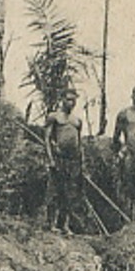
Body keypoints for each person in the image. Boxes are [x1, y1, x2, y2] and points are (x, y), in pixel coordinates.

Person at [44, 90, 86, 234]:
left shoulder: (77, 121)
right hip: (58, 158)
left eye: (74, 100)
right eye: (68, 99)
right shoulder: (54, 117)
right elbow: (47, 139)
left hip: (72, 160)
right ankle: (50, 223)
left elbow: (79, 143)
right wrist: (50, 159)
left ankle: (64, 225)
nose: (71, 103)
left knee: (69, 193)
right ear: (62, 99)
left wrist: (81, 162)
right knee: (55, 191)